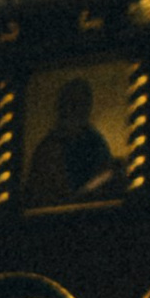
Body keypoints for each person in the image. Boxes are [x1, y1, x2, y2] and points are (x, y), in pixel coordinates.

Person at [21, 75, 122, 207]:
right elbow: (43, 193)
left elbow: (106, 173)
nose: (77, 111)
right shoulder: (49, 148)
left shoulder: (95, 141)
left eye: (83, 104)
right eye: (73, 104)